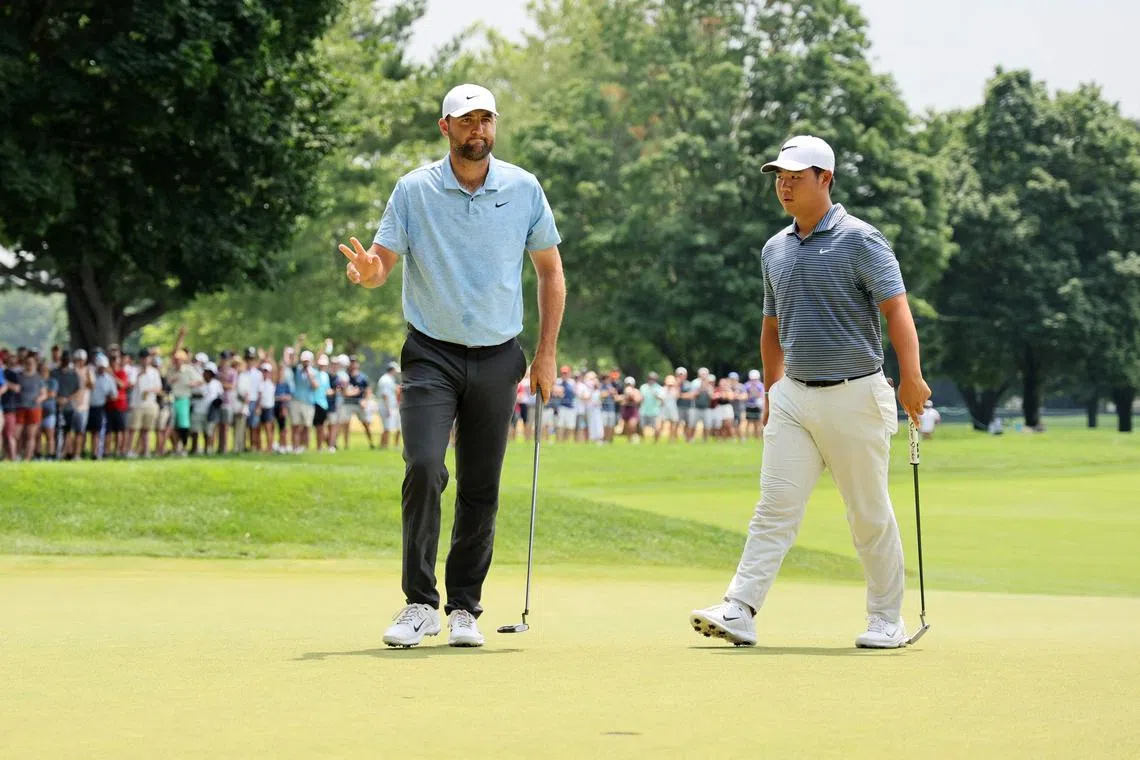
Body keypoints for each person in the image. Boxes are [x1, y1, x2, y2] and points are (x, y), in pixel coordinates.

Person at [339, 82, 565, 648]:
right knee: (423, 466)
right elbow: (382, 263)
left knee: (481, 486)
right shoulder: (414, 190)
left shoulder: (524, 187)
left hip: (498, 355)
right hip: (431, 353)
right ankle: (420, 603)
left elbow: (550, 272)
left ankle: (464, 606)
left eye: (486, 119)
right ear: (446, 127)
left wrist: (545, 354)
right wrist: (368, 273)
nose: (478, 130)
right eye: (466, 121)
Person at [690, 135, 931, 649]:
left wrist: (911, 376)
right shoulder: (773, 249)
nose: (784, 185)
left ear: (826, 179)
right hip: (796, 394)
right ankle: (740, 607)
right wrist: (774, 386)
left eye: (796, 177)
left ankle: (887, 618)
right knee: (774, 505)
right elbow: (771, 326)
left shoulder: (862, 239)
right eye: (780, 177)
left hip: (856, 392)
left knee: (867, 511)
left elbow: (897, 311)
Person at [376, 362, 401, 450]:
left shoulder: (390, 379)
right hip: (386, 406)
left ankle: (385, 446)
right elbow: (385, 395)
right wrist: (388, 408)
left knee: (388, 427)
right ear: (392, 370)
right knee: (387, 427)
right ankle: (383, 446)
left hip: (390, 406)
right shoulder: (385, 380)